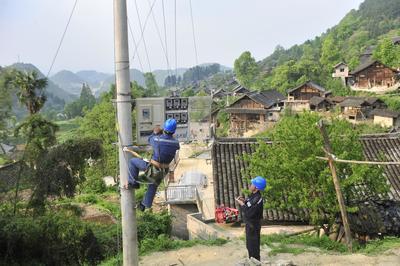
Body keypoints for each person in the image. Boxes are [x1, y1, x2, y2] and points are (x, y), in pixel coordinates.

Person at [123, 118, 180, 211]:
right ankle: (144, 205)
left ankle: (133, 183)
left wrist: (155, 132)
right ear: (173, 131)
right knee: (153, 184)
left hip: (153, 168)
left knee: (132, 162)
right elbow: (171, 143)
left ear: (164, 128)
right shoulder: (176, 143)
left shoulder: (157, 139)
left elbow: (150, 139)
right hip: (163, 170)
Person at [235, 176, 266, 261]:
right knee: (249, 245)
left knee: (253, 245)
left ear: (256, 187)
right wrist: (244, 201)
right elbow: (249, 204)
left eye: (252, 184)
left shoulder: (258, 198)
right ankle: (252, 260)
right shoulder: (253, 195)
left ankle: (255, 261)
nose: (250, 185)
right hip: (250, 224)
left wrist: (242, 204)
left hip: (253, 225)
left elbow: (249, 213)